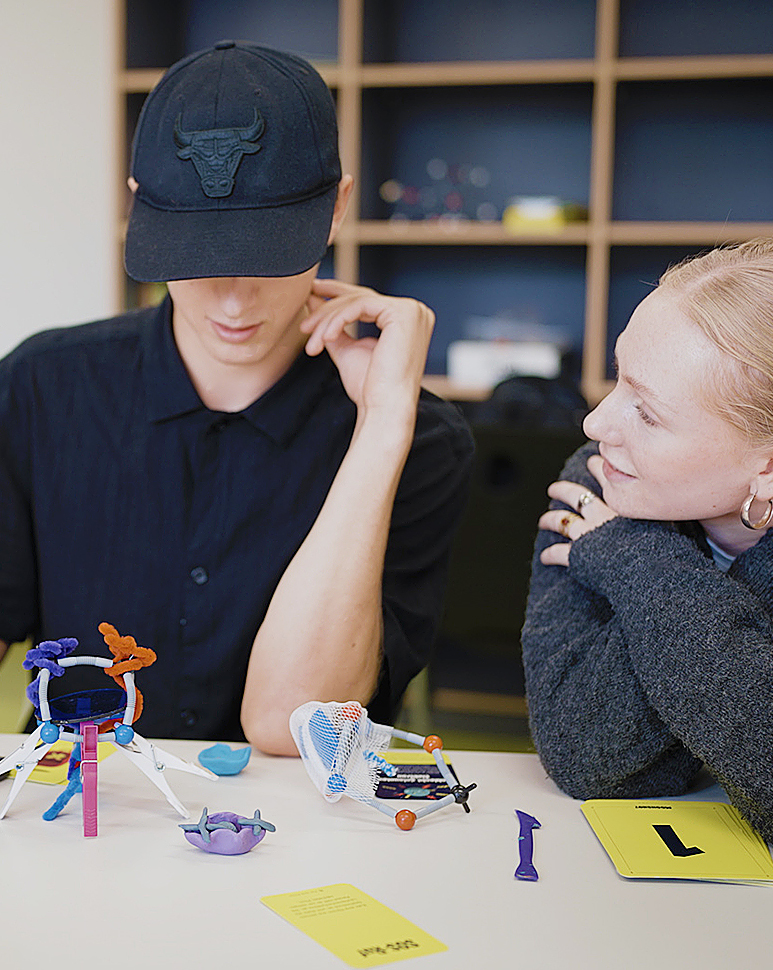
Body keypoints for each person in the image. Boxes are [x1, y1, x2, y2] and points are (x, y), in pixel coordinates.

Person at [0, 41, 474, 754]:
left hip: (300, 840)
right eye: (193, 254)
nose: (232, 298)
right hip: (79, 814)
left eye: (266, 251)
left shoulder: (419, 439)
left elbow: (291, 729)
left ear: (337, 207)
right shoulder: (43, 386)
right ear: (140, 209)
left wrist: (380, 429)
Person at [522, 238, 773, 842]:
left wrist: (631, 558)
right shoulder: (599, 478)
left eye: (650, 414)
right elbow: (583, 753)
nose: (596, 423)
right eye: (619, 378)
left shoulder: (610, 530)